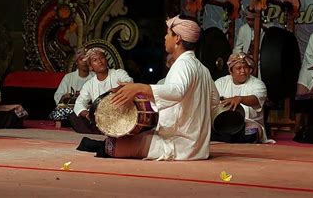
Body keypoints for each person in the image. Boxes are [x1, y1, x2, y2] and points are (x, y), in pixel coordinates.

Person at [78, 15, 220, 160]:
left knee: (112, 146)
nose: (165, 37)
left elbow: (177, 91)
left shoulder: (183, 64)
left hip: (179, 145)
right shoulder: (202, 68)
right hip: (198, 146)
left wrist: (140, 88)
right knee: (136, 137)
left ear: (177, 38)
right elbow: (214, 101)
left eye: (168, 33)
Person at [213, 52, 273, 143]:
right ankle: (228, 137)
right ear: (230, 71)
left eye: (245, 67)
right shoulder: (220, 83)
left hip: (248, 124)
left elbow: (256, 99)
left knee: (252, 132)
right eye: (238, 68)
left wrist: (240, 99)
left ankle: (227, 138)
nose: (243, 71)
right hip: (224, 124)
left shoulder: (258, 84)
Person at [71, 47, 133, 134]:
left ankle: (108, 131)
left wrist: (117, 90)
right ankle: (103, 130)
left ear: (106, 60)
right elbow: (79, 104)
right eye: (95, 60)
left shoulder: (118, 73)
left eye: (101, 58)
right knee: (74, 117)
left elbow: (129, 83)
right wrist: (89, 115)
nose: (99, 61)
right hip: (101, 119)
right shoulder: (89, 84)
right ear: (90, 67)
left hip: (119, 115)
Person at [50, 48, 94, 121]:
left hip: (88, 108)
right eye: (81, 59)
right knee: (58, 113)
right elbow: (57, 96)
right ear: (76, 62)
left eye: (87, 59)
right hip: (71, 108)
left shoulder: (94, 77)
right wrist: (64, 96)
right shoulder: (68, 77)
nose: (84, 62)